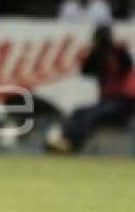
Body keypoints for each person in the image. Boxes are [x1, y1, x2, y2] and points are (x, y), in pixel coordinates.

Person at [46, 25, 135, 154]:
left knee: (91, 116)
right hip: (108, 102)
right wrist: (95, 52)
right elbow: (86, 70)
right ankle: (64, 140)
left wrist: (112, 49)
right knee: (78, 112)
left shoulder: (118, 53)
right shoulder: (100, 55)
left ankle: (73, 145)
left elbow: (126, 65)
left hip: (124, 102)